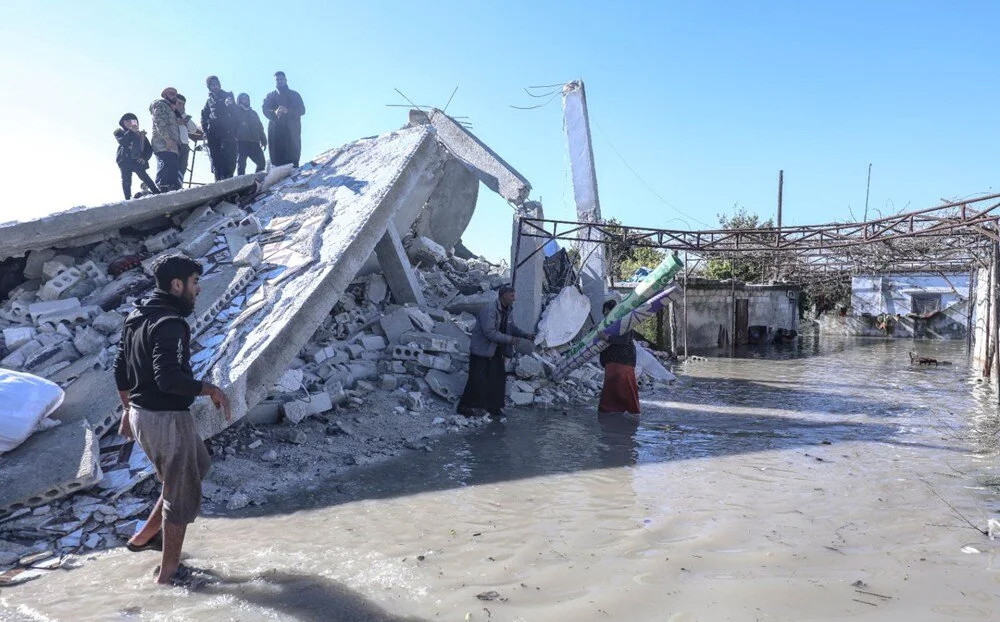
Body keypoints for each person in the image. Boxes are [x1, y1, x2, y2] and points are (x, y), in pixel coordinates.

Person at [113, 254, 231, 586]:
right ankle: (168, 573)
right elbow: (169, 380)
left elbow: (120, 369)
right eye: (194, 282)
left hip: (143, 415)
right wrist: (211, 389)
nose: (199, 289)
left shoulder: (137, 315)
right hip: (165, 418)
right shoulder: (170, 324)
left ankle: (145, 536)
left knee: (197, 465)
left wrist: (127, 410)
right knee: (181, 492)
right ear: (176, 285)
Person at [457, 285, 534, 418]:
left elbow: (511, 327)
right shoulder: (490, 310)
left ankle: (494, 408)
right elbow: (490, 333)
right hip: (481, 350)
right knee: (477, 379)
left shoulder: (508, 310)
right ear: (504, 295)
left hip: (496, 350)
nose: (514, 299)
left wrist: (525, 335)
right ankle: (465, 407)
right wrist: (511, 340)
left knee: (497, 379)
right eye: (512, 296)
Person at [597, 299, 640, 414]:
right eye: (605, 312)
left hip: (623, 360)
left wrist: (607, 338)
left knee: (624, 387)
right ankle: (611, 411)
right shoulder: (605, 325)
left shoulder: (624, 322)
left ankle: (629, 411)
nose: (606, 314)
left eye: (608, 312)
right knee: (611, 387)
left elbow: (624, 340)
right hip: (612, 361)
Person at [262, 71, 305, 167]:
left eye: (281, 79)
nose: (279, 81)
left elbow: (302, 110)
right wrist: (274, 113)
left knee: (293, 160)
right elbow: (265, 110)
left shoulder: (295, 95)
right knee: (277, 162)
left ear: (286, 80)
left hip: (292, 132)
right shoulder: (270, 96)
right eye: (277, 80)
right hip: (276, 132)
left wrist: (288, 111)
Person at [200, 75, 238, 181]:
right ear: (209, 87)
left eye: (216, 84)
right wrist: (205, 130)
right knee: (216, 159)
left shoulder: (228, 95)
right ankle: (218, 182)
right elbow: (203, 115)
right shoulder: (209, 101)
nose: (215, 86)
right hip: (213, 133)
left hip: (227, 131)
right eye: (212, 85)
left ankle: (229, 179)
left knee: (228, 157)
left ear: (219, 84)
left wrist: (230, 105)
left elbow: (235, 112)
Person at [113, 113, 159, 200]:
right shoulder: (119, 132)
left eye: (132, 120)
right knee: (126, 180)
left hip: (137, 160)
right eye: (127, 121)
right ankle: (128, 199)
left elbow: (149, 149)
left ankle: (156, 192)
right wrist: (131, 131)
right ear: (123, 123)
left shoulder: (141, 135)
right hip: (125, 160)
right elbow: (123, 142)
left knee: (145, 177)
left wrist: (144, 158)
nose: (130, 122)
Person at [149, 88, 182, 192]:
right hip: (163, 143)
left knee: (172, 167)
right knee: (165, 166)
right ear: (165, 95)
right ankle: (162, 190)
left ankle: (171, 190)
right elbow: (159, 122)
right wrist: (167, 139)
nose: (174, 96)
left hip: (172, 144)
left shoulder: (171, 109)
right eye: (171, 94)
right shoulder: (160, 104)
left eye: (175, 94)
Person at [174, 94, 203, 188]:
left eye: (183, 104)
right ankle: (171, 189)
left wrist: (183, 114)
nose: (181, 105)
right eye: (179, 103)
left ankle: (178, 186)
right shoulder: (169, 114)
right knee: (173, 168)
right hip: (174, 144)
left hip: (185, 145)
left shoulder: (184, 116)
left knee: (182, 168)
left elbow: (193, 129)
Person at [235, 93, 267, 175]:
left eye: (247, 98)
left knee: (262, 163)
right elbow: (231, 125)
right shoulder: (236, 112)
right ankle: (240, 184)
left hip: (255, 142)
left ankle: (257, 181)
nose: (246, 100)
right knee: (241, 165)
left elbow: (260, 127)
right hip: (241, 142)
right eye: (244, 98)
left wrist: (264, 140)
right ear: (239, 100)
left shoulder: (254, 113)